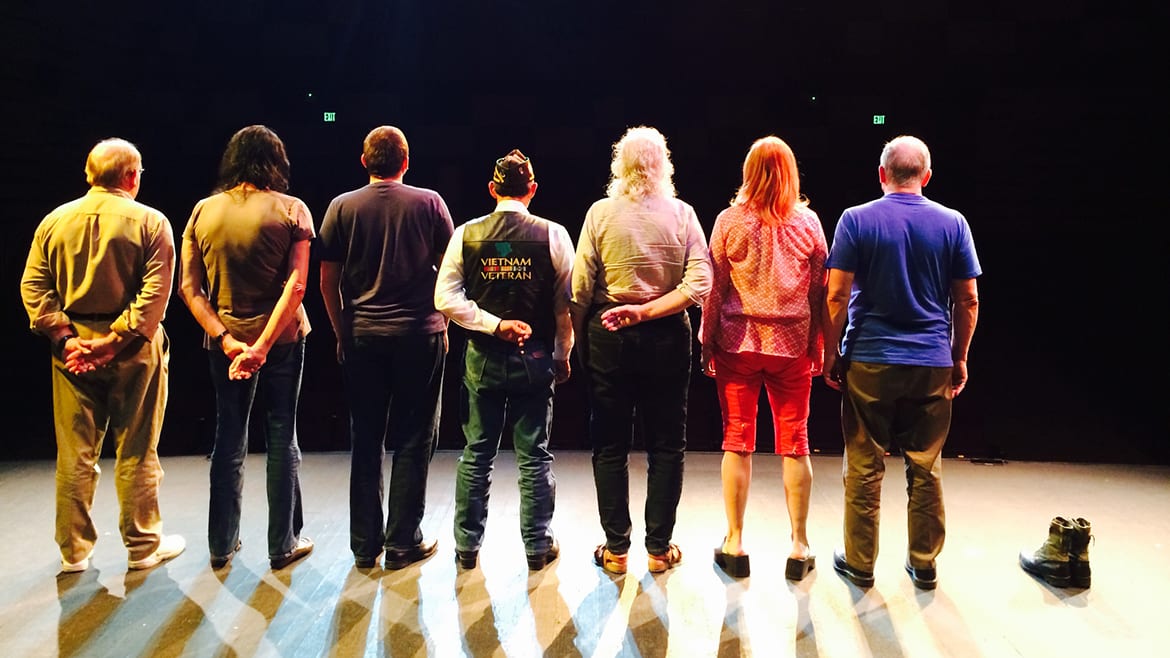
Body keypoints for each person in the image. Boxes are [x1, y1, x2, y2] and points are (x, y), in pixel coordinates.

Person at [823, 135, 981, 590]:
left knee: (864, 464)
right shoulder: (953, 223)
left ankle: (859, 562)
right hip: (931, 361)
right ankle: (924, 562)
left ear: (881, 175)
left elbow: (836, 293)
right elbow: (967, 298)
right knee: (926, 467)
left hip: (870, 359)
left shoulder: (856, 219)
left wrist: (832, 353)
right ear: (926, 176)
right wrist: (959, 357)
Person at [21, 137, 185, 573]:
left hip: (72, 349)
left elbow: (34, 288)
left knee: (74, 452)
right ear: (131, 176)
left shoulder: (54, 221)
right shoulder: (151, 221)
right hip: (133, 348)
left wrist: (66, 338)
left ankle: (73, 552)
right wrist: (114, 340)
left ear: (89, 174)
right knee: (136, 448)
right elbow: (154, 295)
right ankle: (143, 546)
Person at [571, 126, 712, 575]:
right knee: (667, 446)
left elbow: (580, 287)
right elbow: (700, 283)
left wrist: (578, 341)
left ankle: (615, 551)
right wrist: (651, 312)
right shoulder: (683, 214)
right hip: (668, 336)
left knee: (609, 446)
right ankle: (657, 550)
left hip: (608, 334)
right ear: (663, 164)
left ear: (620, 164)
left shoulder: (599, 213)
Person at [178, 125, 315, 571]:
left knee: (229, 437)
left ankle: (221, 544)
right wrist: (261, 345)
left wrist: (228, 340)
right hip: (281, 340)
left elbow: (189, 290)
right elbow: (296, 288)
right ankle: (282, 545)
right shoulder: (291, 209)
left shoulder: (202, 210)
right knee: (281, 436)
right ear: (275, 162)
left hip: (226, 344)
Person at [319, 125, 454, 570]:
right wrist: (445, 321)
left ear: (364, 162)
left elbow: (328, 279)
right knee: (416, 437)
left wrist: (342, 331)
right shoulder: (430, 203)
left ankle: (364, 546)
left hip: (363, 336)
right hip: (420, 334)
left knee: (366, 439)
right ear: (406, 161)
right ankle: (402, 541)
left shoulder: (341, 206)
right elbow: (452, 270)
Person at [434, 149, 574, 571]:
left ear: (492, 189)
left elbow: (443, 298)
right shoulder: (554, 234)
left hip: (483, 360)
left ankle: (466, 549)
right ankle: (537, 547)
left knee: (477, 453)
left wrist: (494, 325)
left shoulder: (466, 234)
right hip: (535, 360)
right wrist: (563, 355)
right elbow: (565, 305)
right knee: (534, 456)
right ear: (532, 189)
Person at [699, 136, 826, 581]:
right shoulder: (808, 223)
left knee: (737, 440)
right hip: (792, 345)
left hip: (738, 342)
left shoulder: (728, 221)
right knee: (796, 441)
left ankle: (734, 541)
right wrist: (818, 344)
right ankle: (798, 544)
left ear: (748, 173)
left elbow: (714, 288)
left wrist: (706, 338)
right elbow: (819, 291)